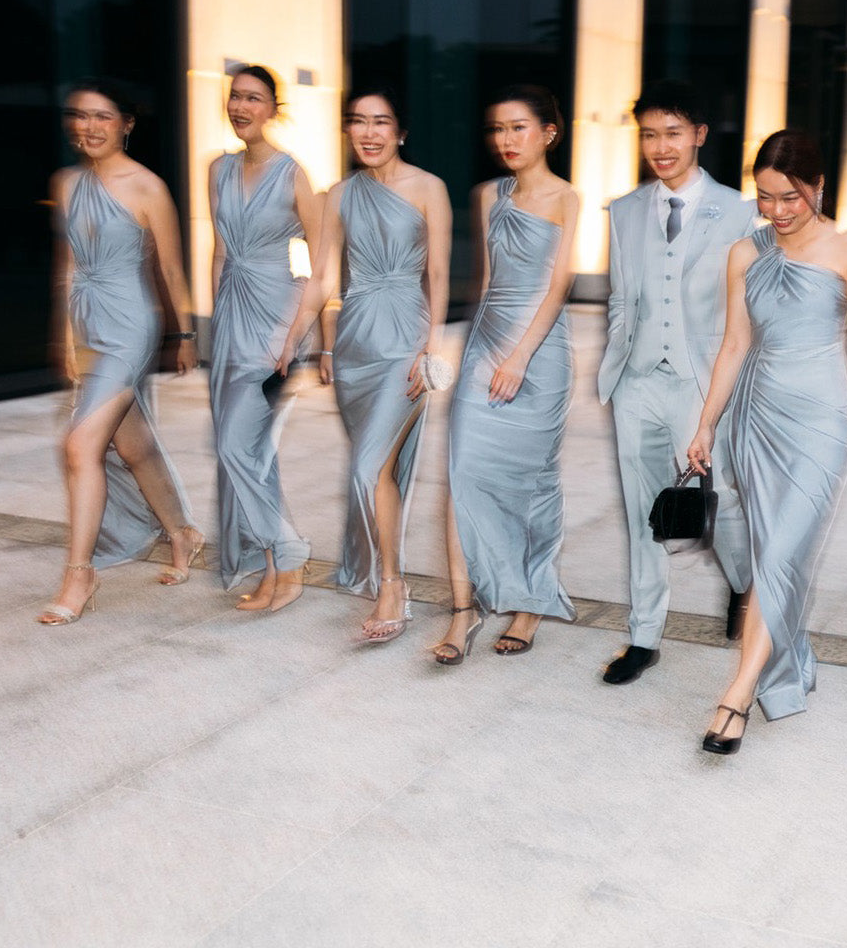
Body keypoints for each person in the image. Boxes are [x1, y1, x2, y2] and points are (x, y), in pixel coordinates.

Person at [686, 130, 847, 754]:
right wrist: (706, 423)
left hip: (821, 423)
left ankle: (738, 692)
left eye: (789, 198)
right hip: (757, 418)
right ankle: (787, 661)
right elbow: (734, 345)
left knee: (780, 557)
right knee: (776, 555)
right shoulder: (745, 254)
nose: (775, 212)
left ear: (819, 187)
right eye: (764, 197)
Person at [595, 80, 755, 685]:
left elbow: (749, 311)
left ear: (699, 136)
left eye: (673, 134)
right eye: (650, 135)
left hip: (702, 381)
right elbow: (618, 296)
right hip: (637, 380)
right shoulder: (626, 209)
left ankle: (745, 585)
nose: (661, 147)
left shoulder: (740, 212)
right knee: (643, 512)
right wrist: (619, 353)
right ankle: (643, 636)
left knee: (723, 504)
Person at [279, 86, 450, 642]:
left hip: (405, 342)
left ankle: (392, 585)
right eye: (358, 121)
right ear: (348, 131)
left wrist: (431, 349)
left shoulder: (429, 188)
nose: (369, 132)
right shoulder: (336, 196)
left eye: (381, 121)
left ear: (400, 131)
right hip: (355, 346)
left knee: (367, 466)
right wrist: (298, 343)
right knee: (374, 470)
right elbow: (325, 281)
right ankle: (385, 574)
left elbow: (440, 277)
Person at [39, 79, 202, 625]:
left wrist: (183, 336)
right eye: (80, 116)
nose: (89, 126)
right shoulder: (65, 183)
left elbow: (173, 269)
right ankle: (182, 534)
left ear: (126, 124)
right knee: (134, 448)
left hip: (131, 325)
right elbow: (69, 263)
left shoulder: (148, 187)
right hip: (87, 325)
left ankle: (79, 574)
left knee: (81, 446)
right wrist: (66, 336)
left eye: (103, 117)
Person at [430, 85, 579, 664]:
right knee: (462, 472)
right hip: (485, 344)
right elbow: (487, 283)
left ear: (548, 131)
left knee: (530, 480)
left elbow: (558, 284)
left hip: (540, 354)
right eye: (497, 129)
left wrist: (518, 357)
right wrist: (473, 351)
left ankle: (529, 601)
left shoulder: (567, 197)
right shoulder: (487, 194)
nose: (506, 140)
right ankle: (463, 611)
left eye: (518, 127)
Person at [208, 65, 321, 612]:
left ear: (273, 109)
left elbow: (323, 262)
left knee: (238, 445)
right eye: (235, 96)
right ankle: (278, 572)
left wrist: (297, 334)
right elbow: (220, 249)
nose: (241, 107)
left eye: (253, 98)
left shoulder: (291, 173)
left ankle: (289, 557)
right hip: (231, 320)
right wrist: (213, 327)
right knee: (254, 452)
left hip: (275, 322)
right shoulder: (217, 170)